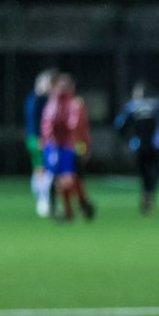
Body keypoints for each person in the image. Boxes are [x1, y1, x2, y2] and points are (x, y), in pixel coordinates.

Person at [40, 73, 96, 222]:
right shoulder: (54, 102)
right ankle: (78, 206)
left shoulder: (74, 104)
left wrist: (85, 145)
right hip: (56, 147)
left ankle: (79, 205)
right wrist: (46, 141)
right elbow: (47, 125)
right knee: (65, 178)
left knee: (69, 178)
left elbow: (79, 126)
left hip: (71, 146)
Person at [114, 81, 159, 214]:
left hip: (140, 146)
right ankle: (149, 193)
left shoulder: (132, 107)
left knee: (144, 172)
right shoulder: (157, 106)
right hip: (155, 145)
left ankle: (147, 193)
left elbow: (119, 125)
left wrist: (128, 140)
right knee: (155, 171)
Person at [25, 70, 57, 217]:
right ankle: (42, 199)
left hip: (45, 139)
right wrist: (39, 139)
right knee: (41, 168)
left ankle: (44, 197)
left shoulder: (46, 100)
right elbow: (34, 122)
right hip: (36, 138)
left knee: (46, 169)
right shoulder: (35, 100)